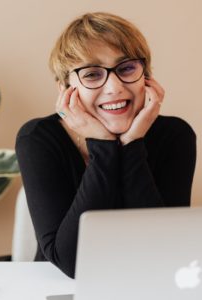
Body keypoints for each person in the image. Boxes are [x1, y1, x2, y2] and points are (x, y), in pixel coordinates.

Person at [15, 12, 196, 278]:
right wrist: (103, 146)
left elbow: (165, 250)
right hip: (59, 287)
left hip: (147, 284)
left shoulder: (175, 135)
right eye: (91, 74)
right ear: (65, 88)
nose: (114, 87)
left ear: (146, 76)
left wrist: (132, 144)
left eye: (126, 68)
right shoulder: (38, 138)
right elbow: (71, 262)